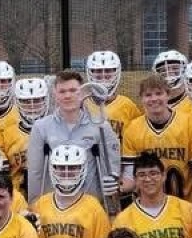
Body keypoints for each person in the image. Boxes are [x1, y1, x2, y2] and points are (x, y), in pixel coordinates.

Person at [24, 70, 120, 205]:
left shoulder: (100, 126)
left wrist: (110, 204)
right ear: (55, 95)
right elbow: (35, 173)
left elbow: (110, 169)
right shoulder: (41, 127)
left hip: (90, 207)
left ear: (82, 93)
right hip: (54, 209)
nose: (67, 96)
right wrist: (34, 206)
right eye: (62, 91)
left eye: (73, 90)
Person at [120, 75, 192, 202]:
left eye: (159, 93)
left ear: (168, 95)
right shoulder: (133, 129)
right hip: (148, 207)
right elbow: (130, 177)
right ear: (141, 98)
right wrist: (116, 187)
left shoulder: (189, 124)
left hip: (186, 206)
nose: (154, 99)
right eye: (148, 95)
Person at [83, 50, 140, 132]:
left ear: (116, 72)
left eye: (108, 70)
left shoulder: (127, 105)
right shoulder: (83, 105)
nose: (103, 75)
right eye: (98, 71)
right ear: (90, 72)